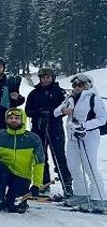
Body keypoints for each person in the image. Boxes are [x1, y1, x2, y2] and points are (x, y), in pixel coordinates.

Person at [55, 73, 107, 211]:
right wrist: (63, 110)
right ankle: (81, 193)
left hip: (88, 136)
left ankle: (99, 198)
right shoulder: (70, 97)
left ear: (88, 85)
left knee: (90, 166)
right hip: (72, 136)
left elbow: (102, 119)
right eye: (75, 85)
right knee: (73, 167)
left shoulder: (93, 98)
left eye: (80, 85)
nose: (77, 88)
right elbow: (56, 112)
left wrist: (84, 125)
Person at [0, 108, 45, 213]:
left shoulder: (33, 139)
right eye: (10, 118)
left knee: (15, 208)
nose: (13, 120)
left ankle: (11, 200)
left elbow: (39, 163)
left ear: (23, 120)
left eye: (17, 118)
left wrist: (36, 185)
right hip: (3, 173)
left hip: (22, 176)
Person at [24, 67, 72, 196]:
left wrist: (50, 112)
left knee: (59, 156)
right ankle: (43, 184)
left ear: (53, 78)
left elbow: (64, 109)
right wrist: (40, 112)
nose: (45, 80)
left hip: (55, 128)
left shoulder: (59, 92)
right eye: (43, 77)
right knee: (41, 157)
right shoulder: (34, 93)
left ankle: (67, 185)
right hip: (38, 127)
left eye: (48, 77)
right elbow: (28, 111)